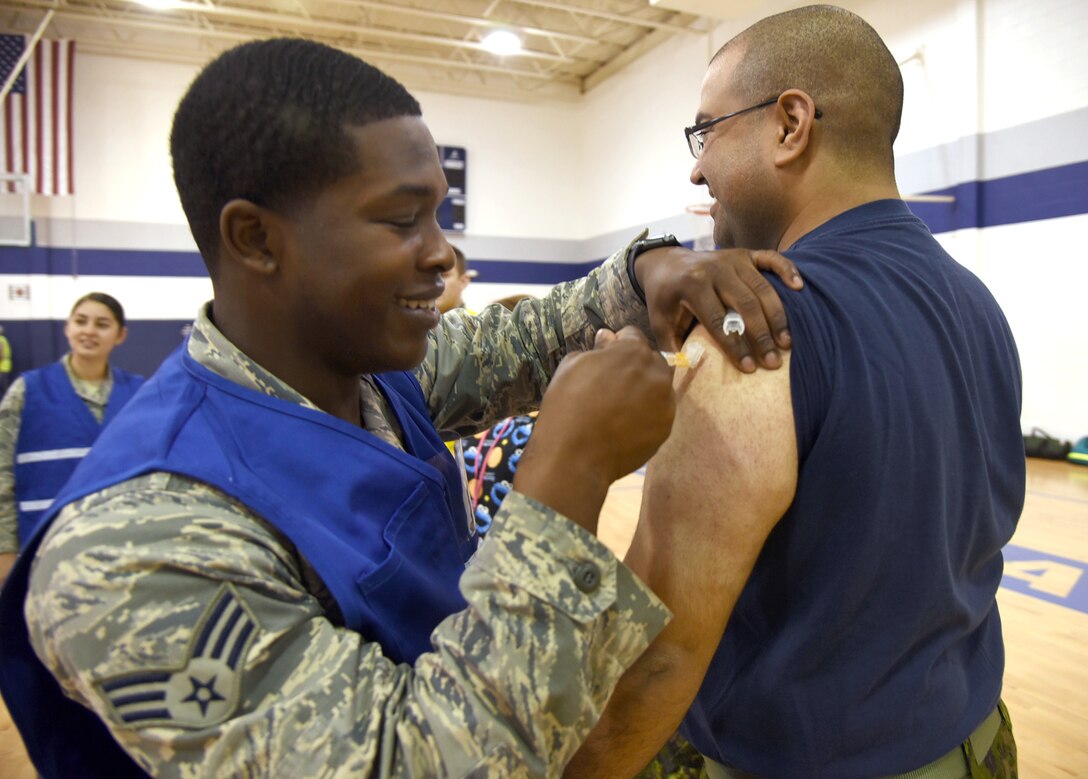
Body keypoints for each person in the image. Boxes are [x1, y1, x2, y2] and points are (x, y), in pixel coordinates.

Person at [0, 38, 803, 778]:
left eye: (439, 213)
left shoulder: (363, 376)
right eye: (400, 219)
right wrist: (570, 472)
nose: (442, 252)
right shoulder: (134, 545)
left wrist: (649, 270)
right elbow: (414, 761)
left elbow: (522, 338)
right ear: (254, 239)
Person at [569, 6, 1024, 778]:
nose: (695, 167)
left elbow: (658, 655)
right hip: (979, 742)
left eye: (706, 130)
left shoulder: (756, 329)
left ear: (789, 124)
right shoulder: (977, 300)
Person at [0, 292, 143, 584]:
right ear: (68, 327)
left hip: (121, 547)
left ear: (120, 335)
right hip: (44, 547)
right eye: (81, 321)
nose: (89, 330)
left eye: (102, 324)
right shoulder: (27, 391)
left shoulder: (140, 394)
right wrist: (4, 549)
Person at [436, 243, 476, 313]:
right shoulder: (412, 323)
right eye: (426, 276)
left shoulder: (479, 323)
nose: (433, 283)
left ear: (463, 281)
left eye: (443, 275)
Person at [0, 324, 12, 396]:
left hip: (2, 367)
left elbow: (1, 354)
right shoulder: (4, 339)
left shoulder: (1, 340)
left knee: (4, 388)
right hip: (5, 366)